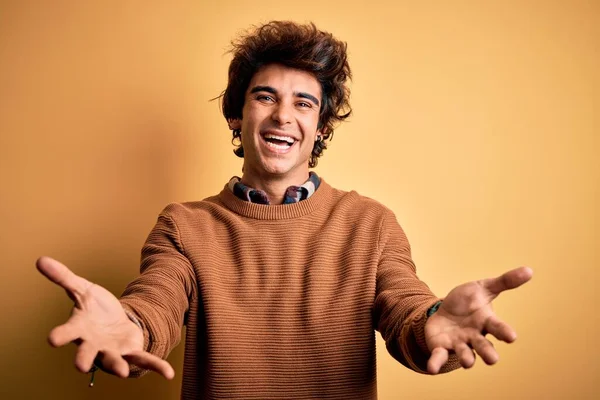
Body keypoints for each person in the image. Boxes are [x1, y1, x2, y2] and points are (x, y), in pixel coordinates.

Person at [37, 20, 533, 399]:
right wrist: (130, 326)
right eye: (265, 96)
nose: (282, 115)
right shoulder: (184, 225)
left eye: (304, 103)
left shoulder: (370, 224)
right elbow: (157, 302)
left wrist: (432, 323)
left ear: (319, 128)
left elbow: (405, 310)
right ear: (237, 114)